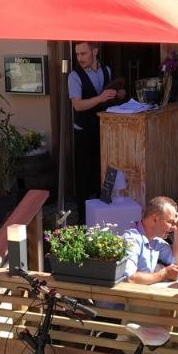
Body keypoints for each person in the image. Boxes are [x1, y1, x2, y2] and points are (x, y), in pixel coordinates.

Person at [68, 41, 124, 222]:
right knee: (84, 178)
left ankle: (104, 217)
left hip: (104, 131)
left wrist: (118, 94)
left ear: (95, 51)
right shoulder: (74, 76)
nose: (79, 58)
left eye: (83, 54)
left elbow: (111, 97)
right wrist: (99, 98)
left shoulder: (106, 71)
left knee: (105, 174)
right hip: (84, 133)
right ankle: (84, 222)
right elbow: (77, 105)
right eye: (77, 54)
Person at [119, 196, 178, 285]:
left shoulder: (155, 240)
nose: (173, 227)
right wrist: (164, 274)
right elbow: (129, 278)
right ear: (155, 219)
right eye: (170, 222)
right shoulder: (132, 239)